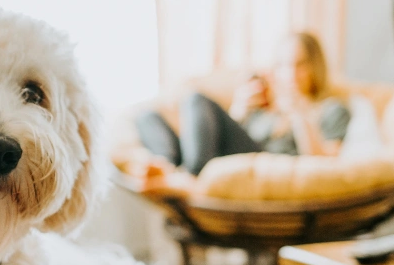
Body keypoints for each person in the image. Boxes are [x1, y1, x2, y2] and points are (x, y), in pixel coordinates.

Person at [136, 32, 352, 176]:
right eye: (284, 65)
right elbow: (223, 137)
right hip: (224, 156)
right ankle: (167, 166)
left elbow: (325, 165)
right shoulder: (265, 107)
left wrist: (299, 113)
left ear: (315, 66)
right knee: (146, 117)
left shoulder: (332, 109)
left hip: (263, 163)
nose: (291, 73)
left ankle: (191, 175)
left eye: (300, 64)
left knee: (196, 99)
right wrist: (239, 110)